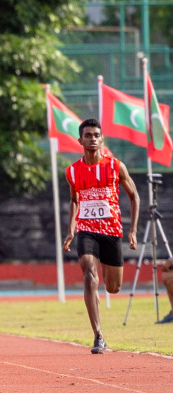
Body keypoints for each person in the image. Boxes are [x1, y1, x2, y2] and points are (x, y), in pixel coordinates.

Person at [62, 118, 139, 354]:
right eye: (88, 135)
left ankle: (106, 276)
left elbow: (134, 196)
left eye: (96, 135)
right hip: (87, 230)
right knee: (88, 273)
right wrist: (71, 230)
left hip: (111, 231)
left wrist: (133, 230)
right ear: (80, 140)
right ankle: (98, 335)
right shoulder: (72, 171)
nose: (92, 139)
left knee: (113, 287)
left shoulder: (116, 166)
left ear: (101, 139)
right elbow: (75, 200)